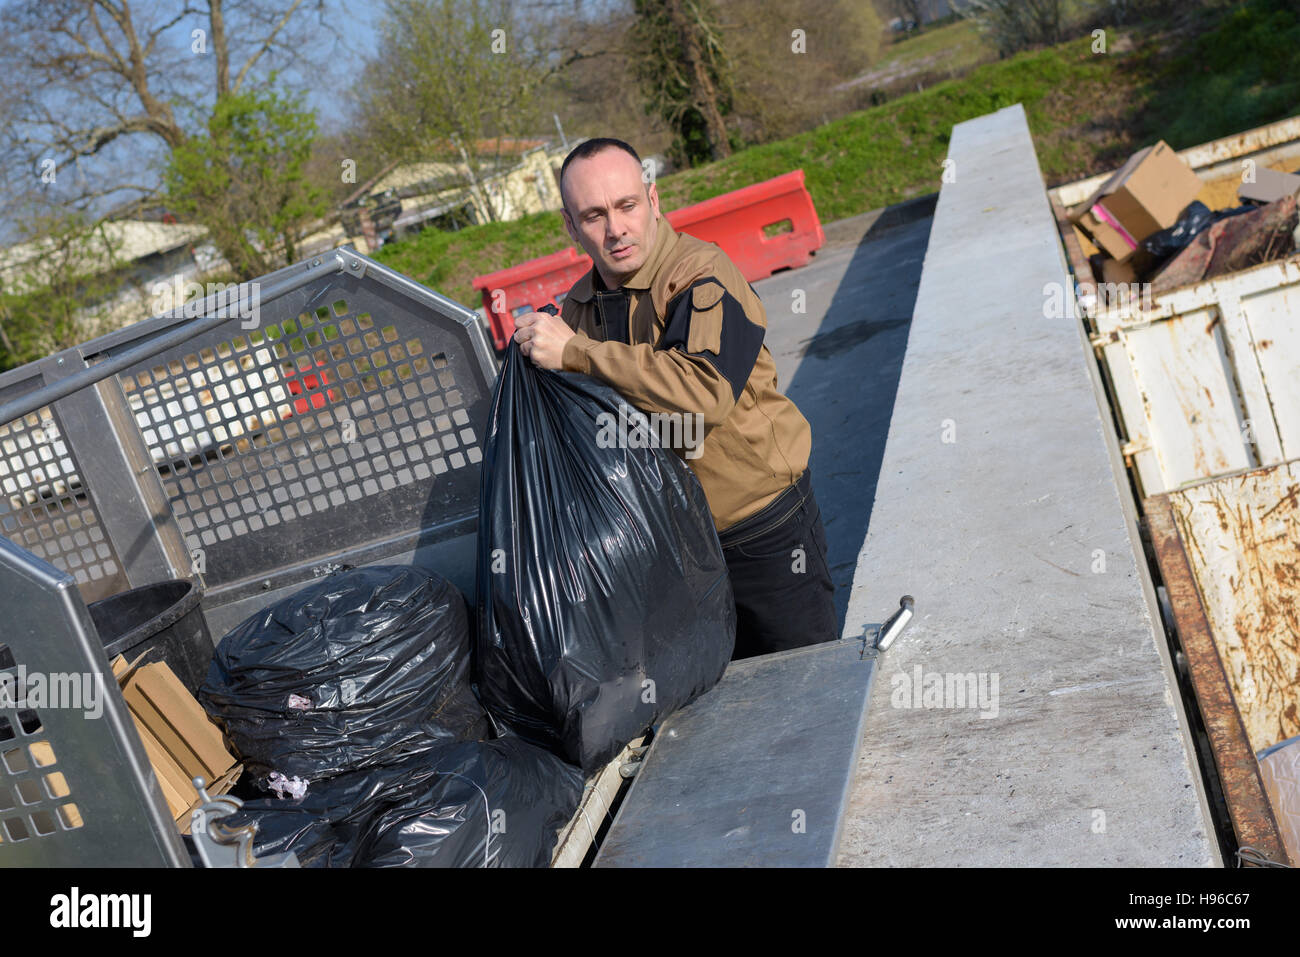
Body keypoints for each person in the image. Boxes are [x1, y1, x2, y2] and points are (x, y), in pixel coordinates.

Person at [512, 137, 836, 659]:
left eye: (626, 206)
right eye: (593, 215)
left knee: (806, 683)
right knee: (718, 712)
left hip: (760, 527)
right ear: (570, 228)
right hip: (672, 548)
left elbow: (701, 397)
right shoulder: (576, 309)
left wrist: (577, 354)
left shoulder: (701, 274)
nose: (615, 229)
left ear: (653, 201)